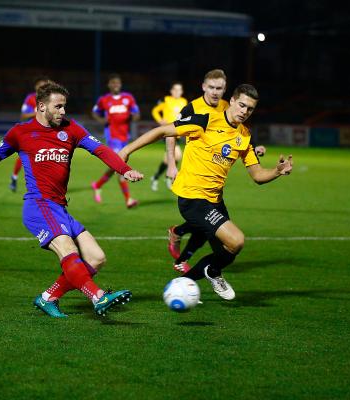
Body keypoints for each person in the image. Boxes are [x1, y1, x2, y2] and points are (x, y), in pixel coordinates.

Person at [0, 82, 143, 318]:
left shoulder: (71, 129)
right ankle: (98, 297)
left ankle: (48, 297)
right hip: (39, 205)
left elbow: (101, 150)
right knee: (68, 250)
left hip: (59, 207)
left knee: (97, 259)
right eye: (58, 107)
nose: (63, 112)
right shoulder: (20, 132)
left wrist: (124, 169)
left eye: (64, 107)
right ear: (41, 107)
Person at [119, 84, 293, 300]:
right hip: (193, 199)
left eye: (250, 109)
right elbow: (162, 131)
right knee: (237, 240)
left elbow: (257, 175)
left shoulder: (245, 136)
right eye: (241, 105)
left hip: (215, 201)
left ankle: (205, 274)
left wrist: (276, 171)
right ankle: (187, 282)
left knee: (226, 253)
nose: (244, 112)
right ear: (231, 101)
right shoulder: (206, 121)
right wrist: (126, 150)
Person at [165, 70, 266, 273]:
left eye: (219, 88)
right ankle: (184, 258)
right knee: (208, 225)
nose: (215, 92)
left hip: (214, 183)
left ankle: (181, 240)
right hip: (194, 174)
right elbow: (170, 132)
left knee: (209, 227)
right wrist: (171, 163)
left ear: (225, 90)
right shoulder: (192, 108)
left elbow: (238, 136)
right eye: (211, 87)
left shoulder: (228, 107)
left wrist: (254, 150)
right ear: (203, 86)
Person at [90, 74, 141, 208]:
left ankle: (97, 185)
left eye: (117, 83)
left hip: (125, 137)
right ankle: (128, 200)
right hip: (113, 138)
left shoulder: (128, 98)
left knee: (115, 167)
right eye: (113, 83)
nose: (115, 85)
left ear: (120, 84)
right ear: (109, 85)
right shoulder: (104, 100)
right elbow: (95, 112)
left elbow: (137, 114)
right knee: (120, 166)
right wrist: (101, 120)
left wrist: (133, 117)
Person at [9, 77, 50, 192]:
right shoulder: (30, 98)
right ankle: (14, 177)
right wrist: (37, 112)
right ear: (36, 87)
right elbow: (23, 116)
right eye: (41, 86)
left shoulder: (49, 99)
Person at [150, 82, 188, 191]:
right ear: (171, 91)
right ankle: (167, 177)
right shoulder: (166, 100)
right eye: (175, 89)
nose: (177, 92)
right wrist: (160, 121)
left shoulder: (183, 101)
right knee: (177, 155)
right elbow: (155, 111)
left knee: (169, 159)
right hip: (168, 132)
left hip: (178, 132)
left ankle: (157, 177)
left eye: (179, 90)